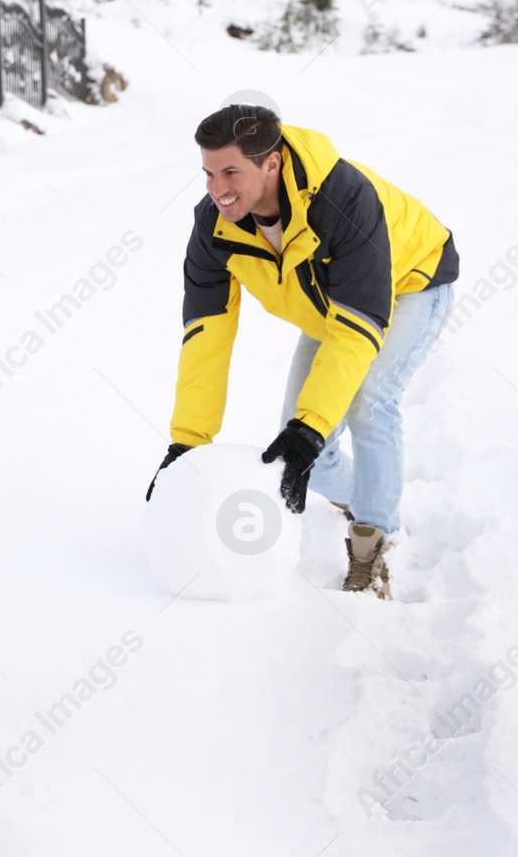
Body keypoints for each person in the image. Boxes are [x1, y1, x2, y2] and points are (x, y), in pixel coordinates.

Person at [148, 105, 458, 598]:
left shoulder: (344, 199)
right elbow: (206, 335)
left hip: (409, 284)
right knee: (302, 447)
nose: (216, 188)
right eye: (208, 172)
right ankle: (368, 495)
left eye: (230, 172)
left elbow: (359, 327)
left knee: (367, 405)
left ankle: (373, 542)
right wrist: (188, 440)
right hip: (331, 307)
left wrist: (310, 428)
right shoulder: (215, 227)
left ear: (270, 163)